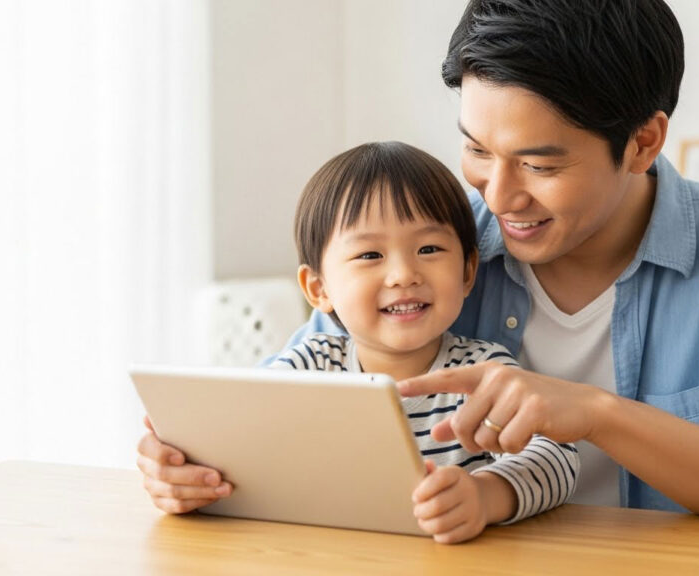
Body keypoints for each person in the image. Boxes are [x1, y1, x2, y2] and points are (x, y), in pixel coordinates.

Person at [139, 0, 699, 526]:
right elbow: (302, 401)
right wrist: (193, 467)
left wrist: (599, 416)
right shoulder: (433, 250)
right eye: (478, 150)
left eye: (540, 164)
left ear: (644, 143)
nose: (498, 192)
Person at [139, 141, 579, 544]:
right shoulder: (308, 367)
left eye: (428, 249)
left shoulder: (483, 372)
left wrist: (486, 496)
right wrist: (182, 467)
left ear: (467, 272)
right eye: (370, 255)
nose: (404, 274)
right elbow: (240, 435)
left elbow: (557, 455)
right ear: (318, 289)